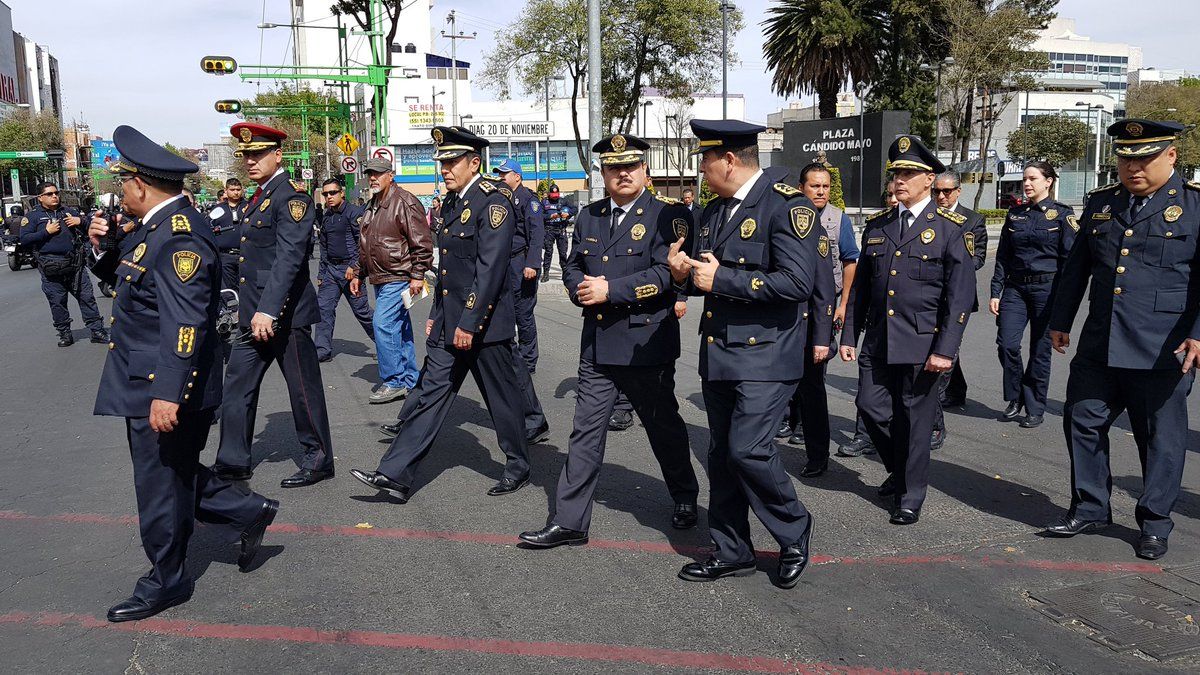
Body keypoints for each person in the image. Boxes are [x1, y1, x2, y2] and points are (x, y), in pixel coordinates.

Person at [87, 125, 276, 623]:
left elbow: (186, 323)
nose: (120, 188)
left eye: (122, 180)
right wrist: (102, 248)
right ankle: (247, 511)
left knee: (160, 485)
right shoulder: (154, 228)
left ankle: (166, 580)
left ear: (141, 185)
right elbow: (132, 284)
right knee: (177, 474)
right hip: (146, 377)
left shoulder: (178, 237)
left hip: (163, 383)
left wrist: (168, 394)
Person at [518, 134, 700, 549]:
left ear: (645, 171)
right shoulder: (589, 215)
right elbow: (573, 264)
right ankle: (569, 521)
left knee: (663, 428)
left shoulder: (668, 216)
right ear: (602, 173)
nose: (622, 173)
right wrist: (579, 285)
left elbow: (666, 275)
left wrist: (610, 291)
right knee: (584, 433)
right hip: (598, 343)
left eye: (631, 166)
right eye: (614, 167)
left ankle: (685, 497)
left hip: (645, 343)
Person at [668, 119, 817, 589]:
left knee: (748, 450)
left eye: (705, 160)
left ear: (729, 160)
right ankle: (732, 550)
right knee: (721, 457)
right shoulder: (713, 212)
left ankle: (793, 531)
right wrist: (681, 275)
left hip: (767, 355)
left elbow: (798, 284)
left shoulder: (787, 207)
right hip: (721, 354)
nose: (701, 170)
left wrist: (724, 280)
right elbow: (705, 275)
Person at [1044, 119, 1200, 561]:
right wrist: (1061, 320)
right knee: (1082, 419)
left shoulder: (1193, 207)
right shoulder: (1100, 205)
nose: (1133, 167)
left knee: (1159, 438)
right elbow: (1077, 268)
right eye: (1126, 157)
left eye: (1144, 158)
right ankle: (1091, 506)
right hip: (1100, 343)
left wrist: (1198, 336)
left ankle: (1154, 523)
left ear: (1171, 156)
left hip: (1162, 347)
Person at [350, 126, 530, 502]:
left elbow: (490, 269)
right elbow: (448, 268)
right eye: (442, 162)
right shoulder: (451, 203)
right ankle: (394, 475)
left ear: (474, 162)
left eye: (452, 161)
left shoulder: (493, 202)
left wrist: (468, 322)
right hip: (452, 321)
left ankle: (518, 464)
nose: (445, 168)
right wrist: (437, 312)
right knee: (429, 394)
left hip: (485, 324)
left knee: (502, 399)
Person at [839, 135, 975, 526]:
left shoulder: (950, 228)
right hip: (879, 339)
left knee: (916, 420)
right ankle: (900, 470)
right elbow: (861, 288)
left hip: (922, 341)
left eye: (909, 173)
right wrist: (849, 335)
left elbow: (959, 297)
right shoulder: (879, 226)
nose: (900, 180)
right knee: (870, 405)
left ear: (929, 178)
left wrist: (945, 350)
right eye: (896, 173)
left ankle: (910, 494)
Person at [212, 122, 335, 489]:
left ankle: (318, 459)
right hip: (254, 314)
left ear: (277, 155)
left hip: (285, 314)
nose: (250, 161)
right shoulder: (259, 195)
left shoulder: (290, 196)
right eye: (245, 155)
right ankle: (233, 461)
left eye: (258, 154)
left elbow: (290, 257)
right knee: (236, 384)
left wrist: (268, 309)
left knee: (302, 389)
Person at [988, 162, 1074, 429]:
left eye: (1033, 179)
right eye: (1025, 179)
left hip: (1047, 290)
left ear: (1048, 182)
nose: (1027, 184)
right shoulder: (1015, 215)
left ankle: (1035, 406)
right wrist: (996, 291)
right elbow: (1003, 256)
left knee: (1040, 351)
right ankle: (1015, 397)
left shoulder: (1062, 215)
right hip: (1015, 288)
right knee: (1007, 343)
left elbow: (1070, 261)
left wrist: (1063, 301)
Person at [349, 158, 431, 402]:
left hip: (399, 276)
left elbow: (422, 242)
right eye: (370, 174)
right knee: (399, 328)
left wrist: (417, 274)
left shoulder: (404, 201)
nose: (373, 177)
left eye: (378, 173)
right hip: (381, 276)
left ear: (390, 175)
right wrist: (358, 273)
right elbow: (367, 245)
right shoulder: (373, 204)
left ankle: (394, 380)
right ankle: (409, 380)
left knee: (383, 324)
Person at [493, 158, 551, 444]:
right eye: (499, 174)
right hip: (506, 264)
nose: (501, 178)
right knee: (510, 313)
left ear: (517, 176)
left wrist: (533, 263)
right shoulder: (504, 199)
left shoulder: (528, 199)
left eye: (505, 174)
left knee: (524, 315)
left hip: (521, 263)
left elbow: (537, 232)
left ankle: (529, 359)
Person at [930, 171, 989, 448]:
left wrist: (948, 267)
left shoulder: (973, 220)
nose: (941, 197)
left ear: (958, 191)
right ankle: (958, 389)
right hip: (927, 299)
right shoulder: (927, 215)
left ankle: (934, 426)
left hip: (956, 300)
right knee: (944, 350)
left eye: (947, 191)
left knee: (944, 356)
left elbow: (976, 259)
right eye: (937, 191)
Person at [20, 181, 109, 347]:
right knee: (57, 302)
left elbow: (91, 230)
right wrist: (46, 232)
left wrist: (80, 222)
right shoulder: (32, 217)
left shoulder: (68, 212)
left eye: (56, 193)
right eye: (49, 194)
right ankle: (65, 333)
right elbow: (24, 239)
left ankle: (97, 330)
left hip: (75, 265)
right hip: (51, 267)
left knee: (87, 298)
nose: (54, 196)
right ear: (40, 198)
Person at [312, 178, 375, 362]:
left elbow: (363, 243)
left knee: (362, 311)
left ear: (342, 193)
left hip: (349, 270)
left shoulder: (354, 213)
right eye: (325, 194)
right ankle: (322, 350)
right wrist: (322, 274)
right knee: (323, 309)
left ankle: (386, 345)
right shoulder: (327, 216)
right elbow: (324, 246)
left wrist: (355, 267)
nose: (329, 197)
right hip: (331, 270)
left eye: (332, 193)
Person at [208, 177, 250, 290]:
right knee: (228, 289)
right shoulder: (218, 209)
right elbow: (208, 229)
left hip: (246, 254)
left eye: (238, 189)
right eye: (232, 189)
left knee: (246, 287)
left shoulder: (249, 207)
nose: (236, 192)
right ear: (226, 191)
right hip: (225, 256)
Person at [542, 183, 572, 282]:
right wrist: (550, 216)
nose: (555, 196)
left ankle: (565, 273)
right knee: (548, 252)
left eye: (556, 194)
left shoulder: (563, 201)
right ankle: (546, 273)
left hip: (561, 230)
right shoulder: (544, 202)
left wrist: (568, 214)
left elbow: (574, 209)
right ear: (549, 193)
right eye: (553, 194)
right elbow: (539, 216)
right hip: (549, 230)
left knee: (563, 253)